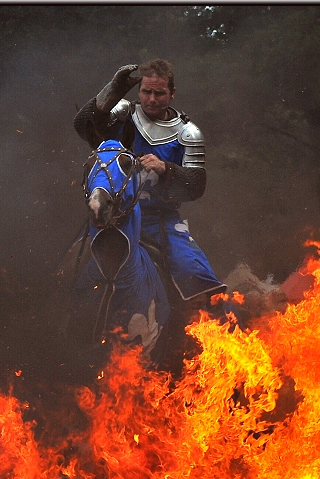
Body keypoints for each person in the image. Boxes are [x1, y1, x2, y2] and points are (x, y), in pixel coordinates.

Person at [74, 59, 226, 367]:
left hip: (161, 221)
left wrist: (167, 168)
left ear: (172, 93)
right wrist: (114, 89)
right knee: (70, 266)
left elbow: (196, 186)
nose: (151, 100)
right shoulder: (124, 115)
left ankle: (200, 349)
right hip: (116, 217)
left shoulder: (188, 133)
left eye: (159, 94)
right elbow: (84, 125)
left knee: (195, 274)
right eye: (146, 92)